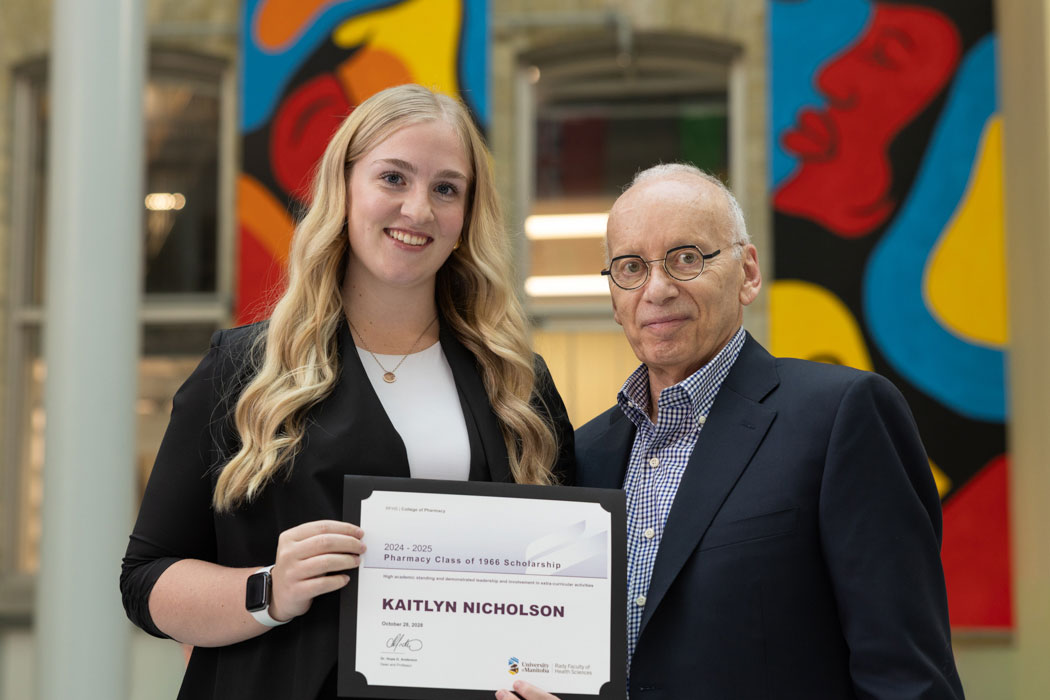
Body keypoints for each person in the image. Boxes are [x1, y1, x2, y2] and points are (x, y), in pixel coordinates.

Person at [121, 83, 574, 700]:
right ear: (345, 188)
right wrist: (268, 590)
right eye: (393, 178)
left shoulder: (517, 384)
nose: (418, 209)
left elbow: (564, 588)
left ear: (468, 217)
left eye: (446, 188)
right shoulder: (245, 371)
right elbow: (147, 582)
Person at [498, 164, 963, 700]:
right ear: (613, 294)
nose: (658, 289)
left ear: (747, 272)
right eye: (630, 267)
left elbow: (909, 680)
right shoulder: (583, 453)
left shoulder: (842, 416)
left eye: (686, 258)